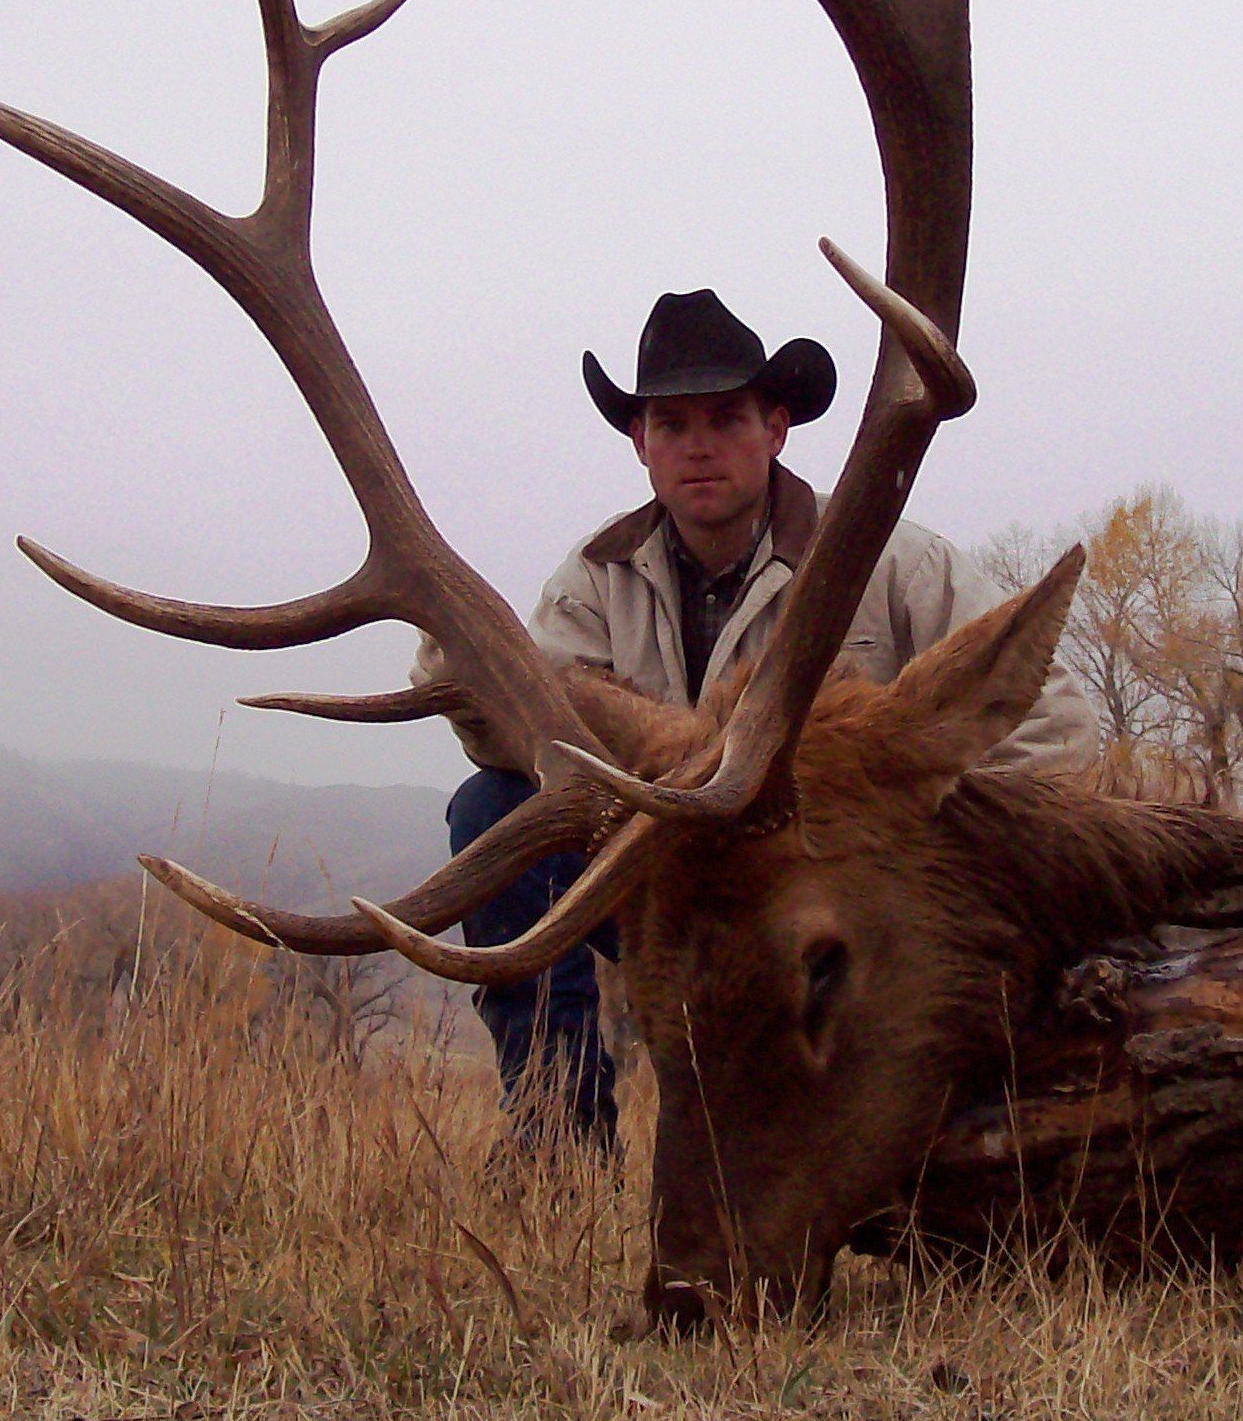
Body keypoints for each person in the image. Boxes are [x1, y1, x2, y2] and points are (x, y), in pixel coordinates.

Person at [423, 289, 1099, 1149]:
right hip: (670, 899)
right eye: (671, 423)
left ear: (775, 428)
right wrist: (467, 670)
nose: (698, 445)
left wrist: (903, 830)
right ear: (640, 443)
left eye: (725, 417)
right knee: (491, 811)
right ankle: (556, 1134)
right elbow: (515, 740)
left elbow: (1057, 729)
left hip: (832, 913)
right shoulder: (596, 578)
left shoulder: (889, 557)